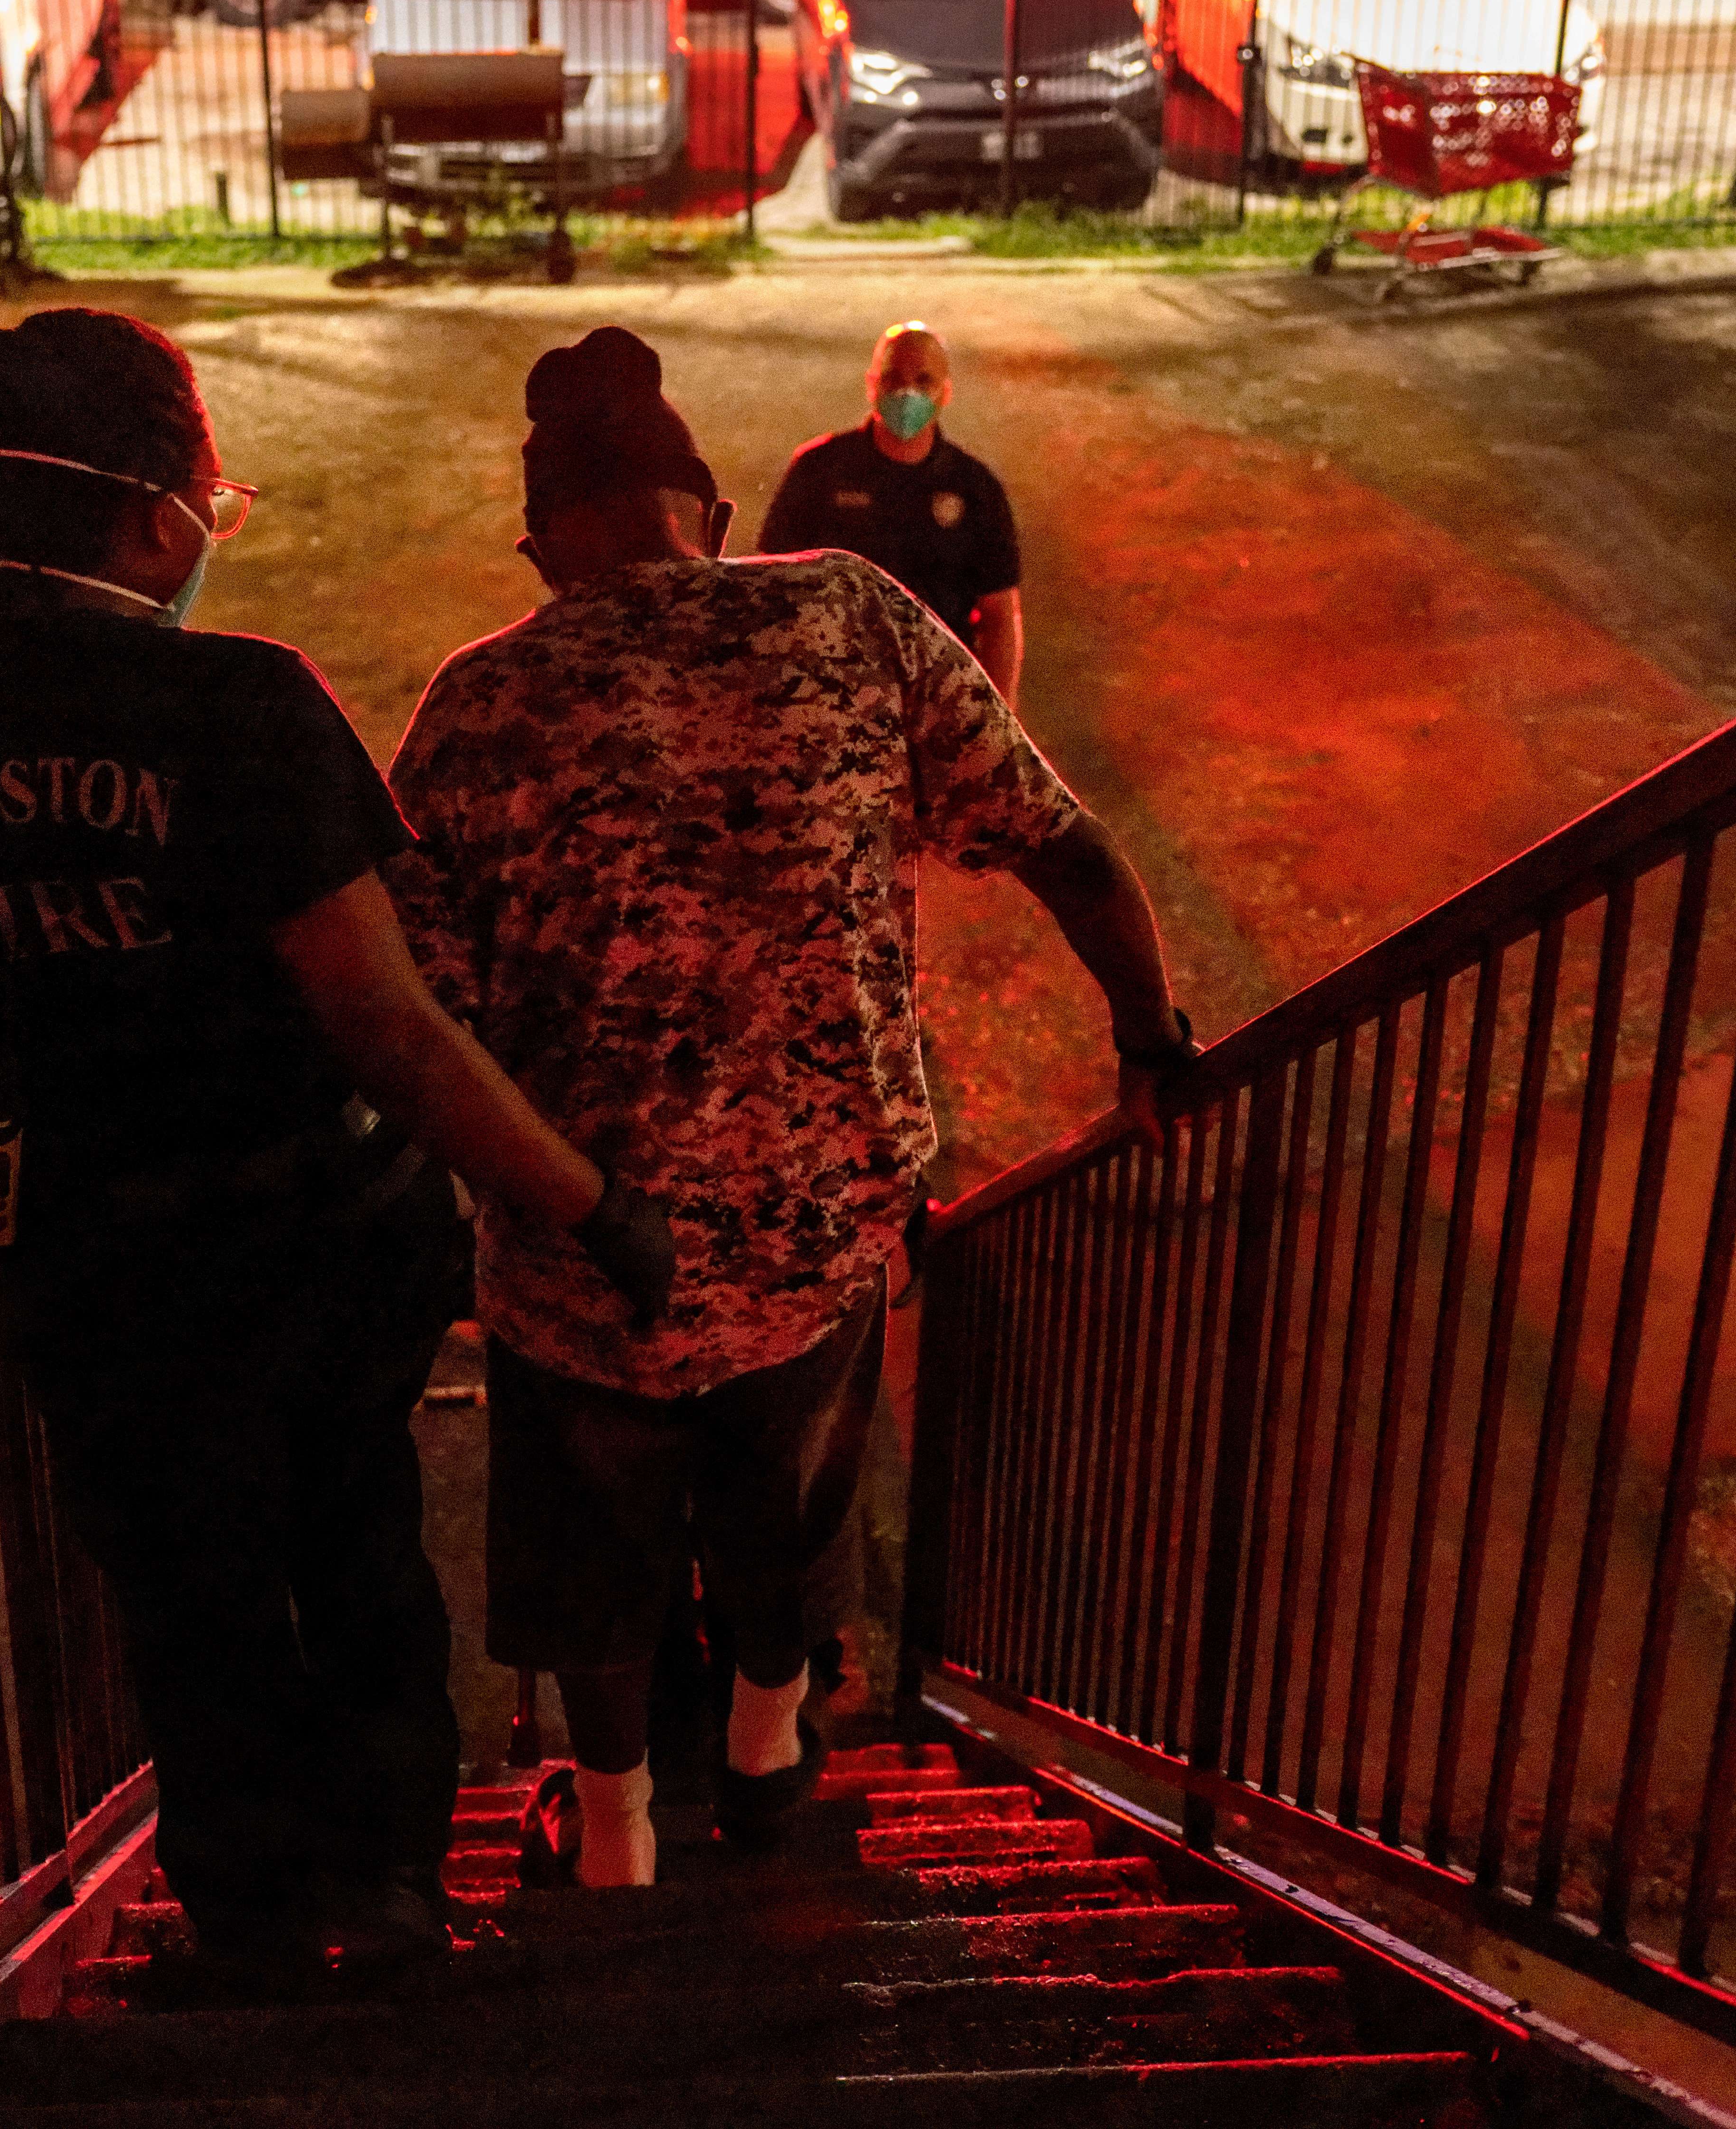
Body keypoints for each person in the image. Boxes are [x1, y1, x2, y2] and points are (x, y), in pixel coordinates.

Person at [0, 309, 673, 1991]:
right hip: (297, 1238)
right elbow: (388, 1022)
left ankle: (239, 1913)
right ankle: (379, 1890)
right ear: (155, 513)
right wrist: (585, 1201)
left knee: (183, 1592)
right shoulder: (233, 701)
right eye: (214, 508)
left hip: (88, 1247)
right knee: (353, 1550)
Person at [389, 325, 1190, 1889]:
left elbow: (416, 1022)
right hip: (816, 1229)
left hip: (583, 1255)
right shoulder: (849, 612)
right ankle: (766, 1756)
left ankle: (613, 1835)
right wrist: (1148, 1033)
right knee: (796, 1492)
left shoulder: (476, 705)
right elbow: (1065, 844)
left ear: (542, 540)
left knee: (594, 1544)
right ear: (710, 506)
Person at [756, 321, 1025, 703]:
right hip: (834, 692)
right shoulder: (819, 470)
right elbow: (773, 584)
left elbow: (999, 616)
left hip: (939, 696)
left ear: (945, 392)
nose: (906, 392)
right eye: (894, 377)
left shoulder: (975, 488)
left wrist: (1000, 719)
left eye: (923, 380)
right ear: (872, 384)